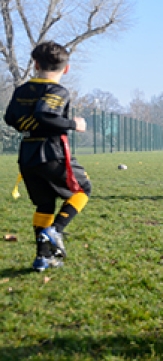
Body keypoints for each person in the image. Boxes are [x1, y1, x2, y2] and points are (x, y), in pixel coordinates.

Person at [3, 41, 91, 272]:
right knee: (83, 190)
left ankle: (42, 258)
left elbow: (10, 117)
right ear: (66, 68)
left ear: (35, 64)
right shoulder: (57, 90)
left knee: (44, 203)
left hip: (28, 154)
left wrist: (29, 123)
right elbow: (45, 114)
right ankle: (56, 230)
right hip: (51, 152)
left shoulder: (22, 90)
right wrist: (74, 124)